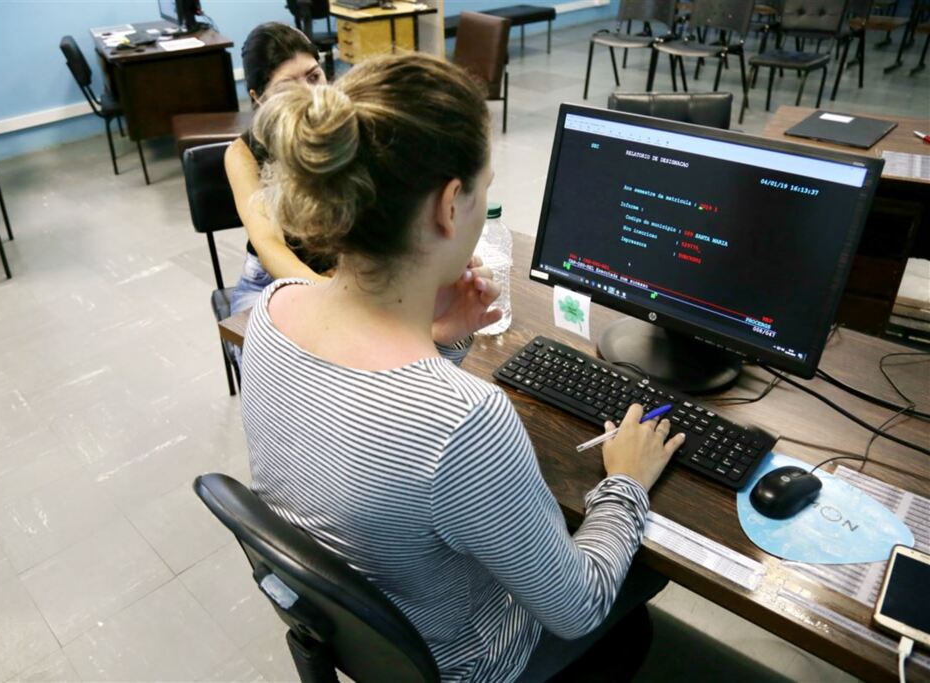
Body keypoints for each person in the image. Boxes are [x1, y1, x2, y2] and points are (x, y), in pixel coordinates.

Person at [240, 53, 686, 682]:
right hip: (473, 664)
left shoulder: (273, 310)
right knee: (634, 591)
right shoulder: (464, 423)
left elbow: (368, 429)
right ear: (451, 205)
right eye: (486, 185)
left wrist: (440, 341)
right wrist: (628, 482)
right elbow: (578, 608)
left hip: (378, 633)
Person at [223, 23, 333, 364]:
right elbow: (269, 243)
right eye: (288, 87)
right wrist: (331, 294)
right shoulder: (243, 154)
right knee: (279, 368)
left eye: (314, 77)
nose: (310, 94)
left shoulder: (348, 126)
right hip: (272, 282)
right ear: (259, 97)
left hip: (348, 271)